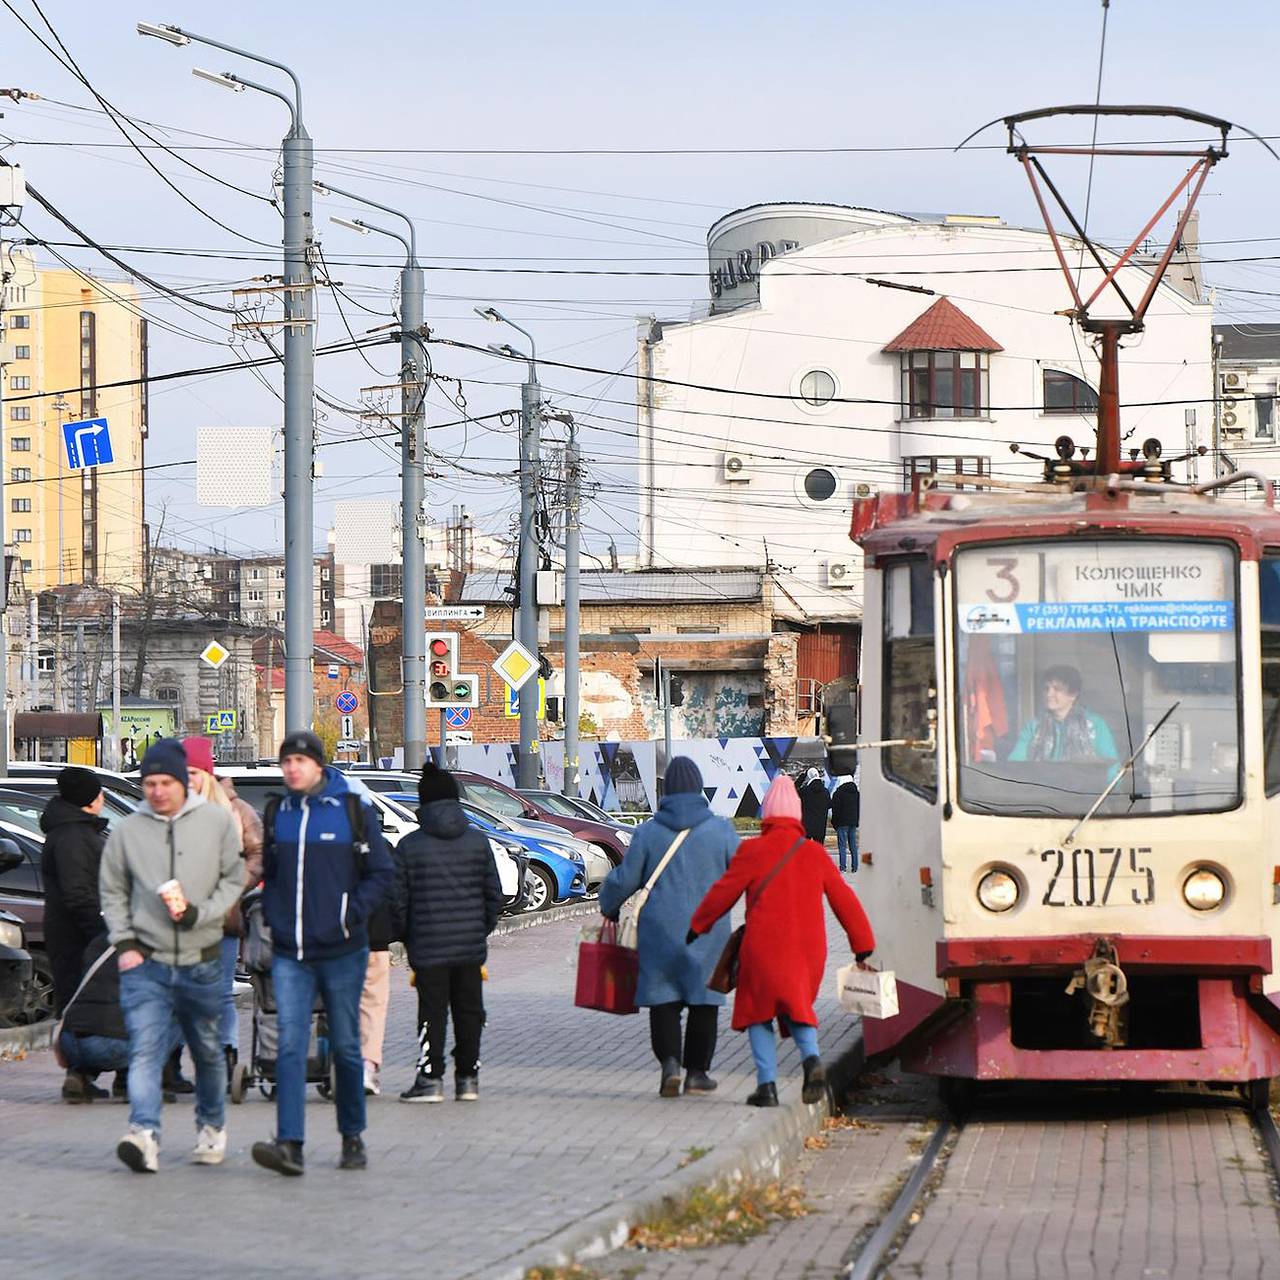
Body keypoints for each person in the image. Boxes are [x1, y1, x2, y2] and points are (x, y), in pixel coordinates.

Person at [252, 731, 394, 1176]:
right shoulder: (278, 812)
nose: (291, 768)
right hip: (290, 952)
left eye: (299, 760)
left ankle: (352, 1136)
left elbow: (381, 872)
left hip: (342, 950)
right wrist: (274, 916)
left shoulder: (351, 810)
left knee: (347, 1047)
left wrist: (352, 913)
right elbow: (271, 876)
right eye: (286, 761)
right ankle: (289, 1143)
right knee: (291, 1048)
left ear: (318, 765)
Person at [99, 739, 245, 1173]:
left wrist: (205, 912)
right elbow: (112, 890)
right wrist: (124, 942)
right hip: (146, 961)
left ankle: (211, 1126)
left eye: (166, 782)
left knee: (206, 1050)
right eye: (149, 783)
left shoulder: (216, 822)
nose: (157, 791)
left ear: (183, 783)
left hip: (203, 958)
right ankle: (144, 1134)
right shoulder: (128, 831)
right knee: (145, 1048)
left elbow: (233, 879)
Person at [689, 773, 874, 1108]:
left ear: (767, 814)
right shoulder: (815, 854)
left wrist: (698, 925)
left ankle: (767, 1087)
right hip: (808, 950)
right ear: (798, 814)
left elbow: (722, 893)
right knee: (798, 1005)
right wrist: (862, 945)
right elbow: (845, 900)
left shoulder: (752, 851)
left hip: (762, 947)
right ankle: (812, 1060)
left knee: (759, 1012)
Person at [598, 757, 737, 1097]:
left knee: (664, 1000)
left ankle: (670, 1065)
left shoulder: (647, 832)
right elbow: (740, 877)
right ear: (699, 788)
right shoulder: (722, 831)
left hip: (659, 931)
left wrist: (609, 906)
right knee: (704, 1001)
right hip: (709, 931)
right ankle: (697, 1073)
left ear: (668, 790)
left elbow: (625, 879)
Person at [394, 763, 502, 1104]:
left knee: (432, 1012)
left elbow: (398, 903)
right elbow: (493, 895)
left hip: (427, 948)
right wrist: (480, 930)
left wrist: (409, 936)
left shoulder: (409, 846)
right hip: (470, 947)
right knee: (470, 1011)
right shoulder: (478, 841)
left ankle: (431, 1079)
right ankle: (468, 1078)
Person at [182, 737, 263, 1083]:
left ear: (206, 773)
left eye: (192, 773)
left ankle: (226, 1055)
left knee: (219, 991)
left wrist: (235, 886)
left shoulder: (236, 810)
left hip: (224, 917)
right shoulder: (172, 809)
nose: (186, 781)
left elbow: (259, 855)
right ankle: (184, 1060)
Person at [39, 766, 111, 1102]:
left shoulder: (74, 830)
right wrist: (100, 930)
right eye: (99, 793)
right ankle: (78, 1073)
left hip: (74, 931)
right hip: (77, 935)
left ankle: (81, 1073)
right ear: (88, 799)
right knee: (78, 1002)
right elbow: (78, 893)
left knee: (79, 1001)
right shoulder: (72, 836)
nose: (103, 799)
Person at [54, 933, 129, 1096]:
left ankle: (79, 1075)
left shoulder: (99, 941)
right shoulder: (152, 944)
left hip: (69, 1041)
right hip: (112, 1045)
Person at [1007, 664, 1120, 764]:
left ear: (1073, 694)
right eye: (1047, 688)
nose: (1049, 694)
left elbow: (1111, 769)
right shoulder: (1033, 726)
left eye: (1057, 689)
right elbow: (1016, 764)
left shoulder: (1096, 724)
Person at [830, 775, 860, 874]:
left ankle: (843, 867)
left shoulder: (838, 794)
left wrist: (835, 823)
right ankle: (855, 867)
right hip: (853, 822)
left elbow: (836, 810)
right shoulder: (856, 793)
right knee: (853, 846)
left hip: (842, 823)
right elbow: (859, 808)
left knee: (842, 846)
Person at [798, 767, 830, 845]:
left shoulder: (805, 791)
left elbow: (793, 791)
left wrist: (801, 778)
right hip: (820, 826)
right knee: (818, 853)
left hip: (806, 825)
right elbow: (829, 805)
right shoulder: (825, 792)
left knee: (805, 851)